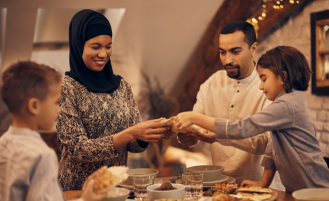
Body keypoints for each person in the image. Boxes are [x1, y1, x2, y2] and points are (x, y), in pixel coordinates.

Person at [175, 46, 329, 193]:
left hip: (313, 187)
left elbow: (244, 127)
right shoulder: (287, 102)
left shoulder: (287, 104)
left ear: (283, 77)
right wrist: (264, 182)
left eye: (264, 79)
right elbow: (272, 147)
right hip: (297, 189)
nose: (261, 87)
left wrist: (194, 117)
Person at [56, 9, 169, 191]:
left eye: (108, 46)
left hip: (116, 189)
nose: (103, 54)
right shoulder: (66, 89)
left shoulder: (121, 86)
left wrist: (146, 134)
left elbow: (133, 145)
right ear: (78, 45)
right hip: (79, 191)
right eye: (95, 46)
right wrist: (132, 133)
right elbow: (78, 149)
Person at [177, 21, 282, 187]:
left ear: (253, 49)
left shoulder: (269, 86)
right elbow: (196, 129)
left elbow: (268, 143)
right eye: (222, 52)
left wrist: (221, 135)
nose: (228, 60)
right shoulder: (210, 84)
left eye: (235, 51)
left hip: (262, 187)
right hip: (219, 185)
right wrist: (188, 137)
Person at [0, 61, 106, 201]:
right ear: (34, 106)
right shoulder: (43, 155)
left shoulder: (3, 143)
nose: (59, 109)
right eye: (56, 102)